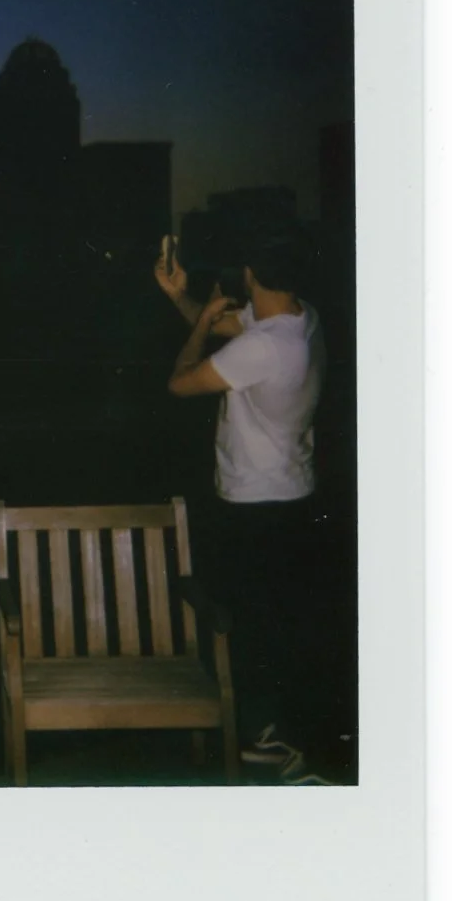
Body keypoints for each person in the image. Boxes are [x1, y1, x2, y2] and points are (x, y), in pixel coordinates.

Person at [155, 220, 331, 782]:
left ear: (250, 273)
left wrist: (202, 320)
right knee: (273, 618)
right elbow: (228, 341)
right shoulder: (298, 320)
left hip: (255, 501)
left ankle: (267, 742)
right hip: (291, 490)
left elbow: (181, 382)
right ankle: (271, 731)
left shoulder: (263, 346)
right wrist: (186, 301)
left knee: (249, 623)